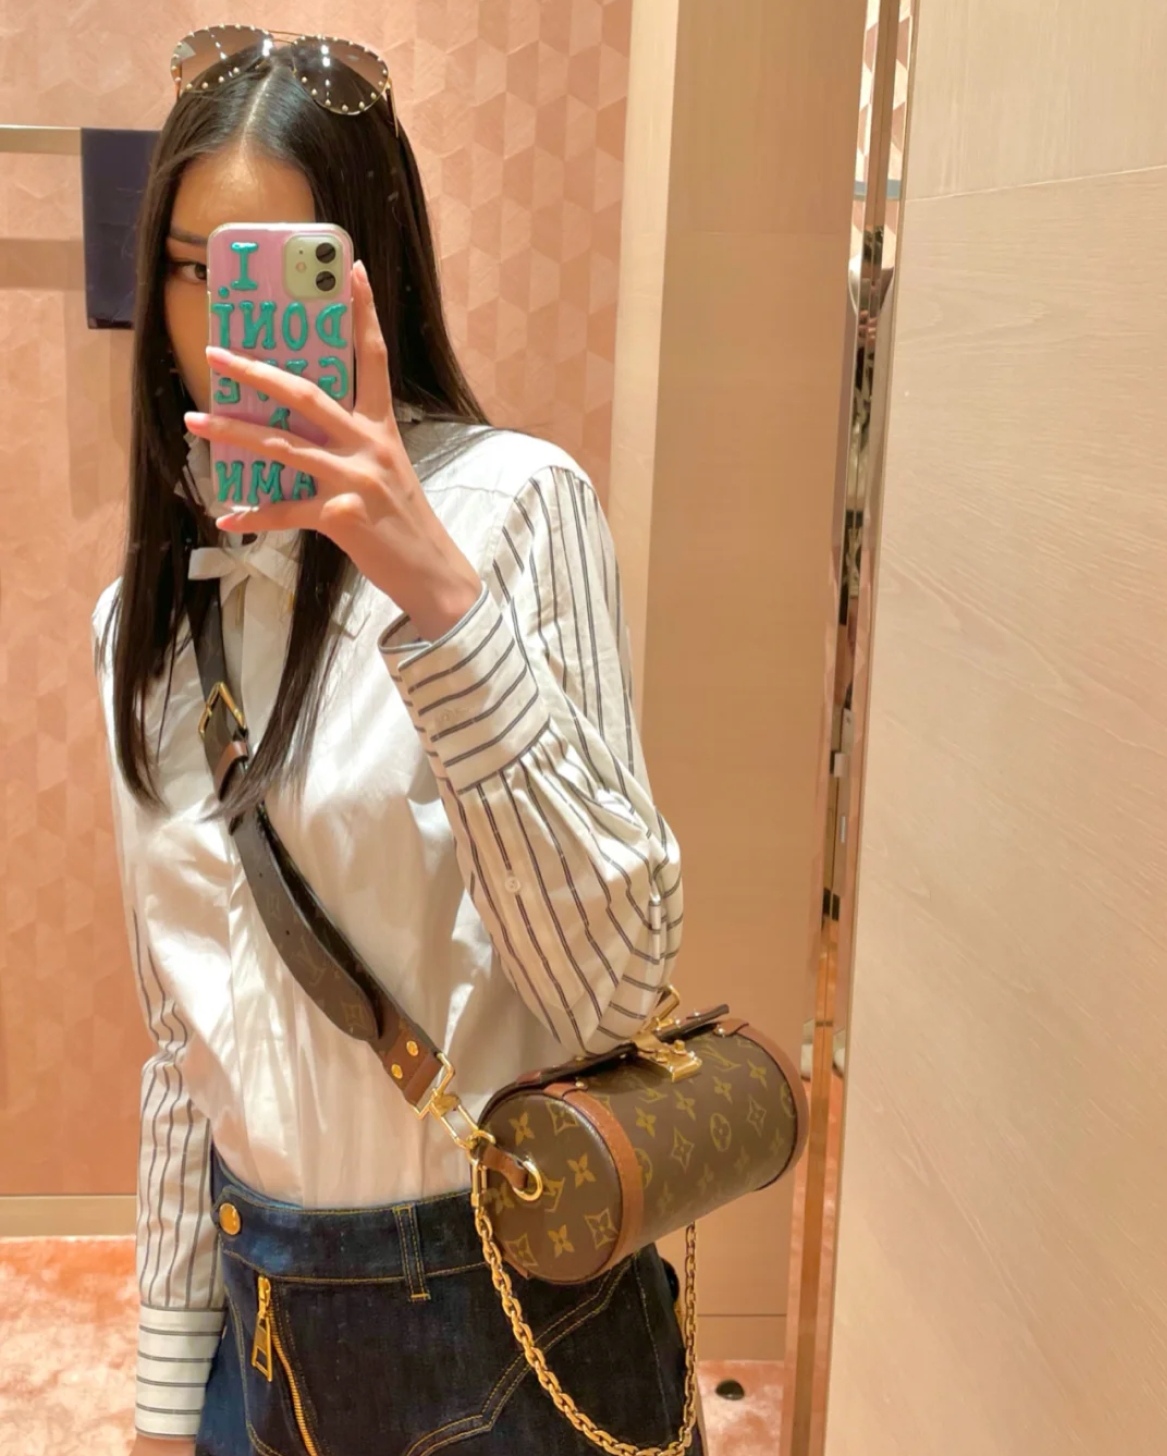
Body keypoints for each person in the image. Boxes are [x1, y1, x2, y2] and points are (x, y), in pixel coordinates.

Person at [94, 30, 692, 1456]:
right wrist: (166, 1394)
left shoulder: (516, 511)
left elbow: (614, 987)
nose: (228, 328)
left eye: (278, 274)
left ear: (372, 276)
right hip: (260, 1325)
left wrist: (436, 602)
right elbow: (186, 1047)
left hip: (502, 1308)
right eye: (190, 268)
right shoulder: (144, 621)